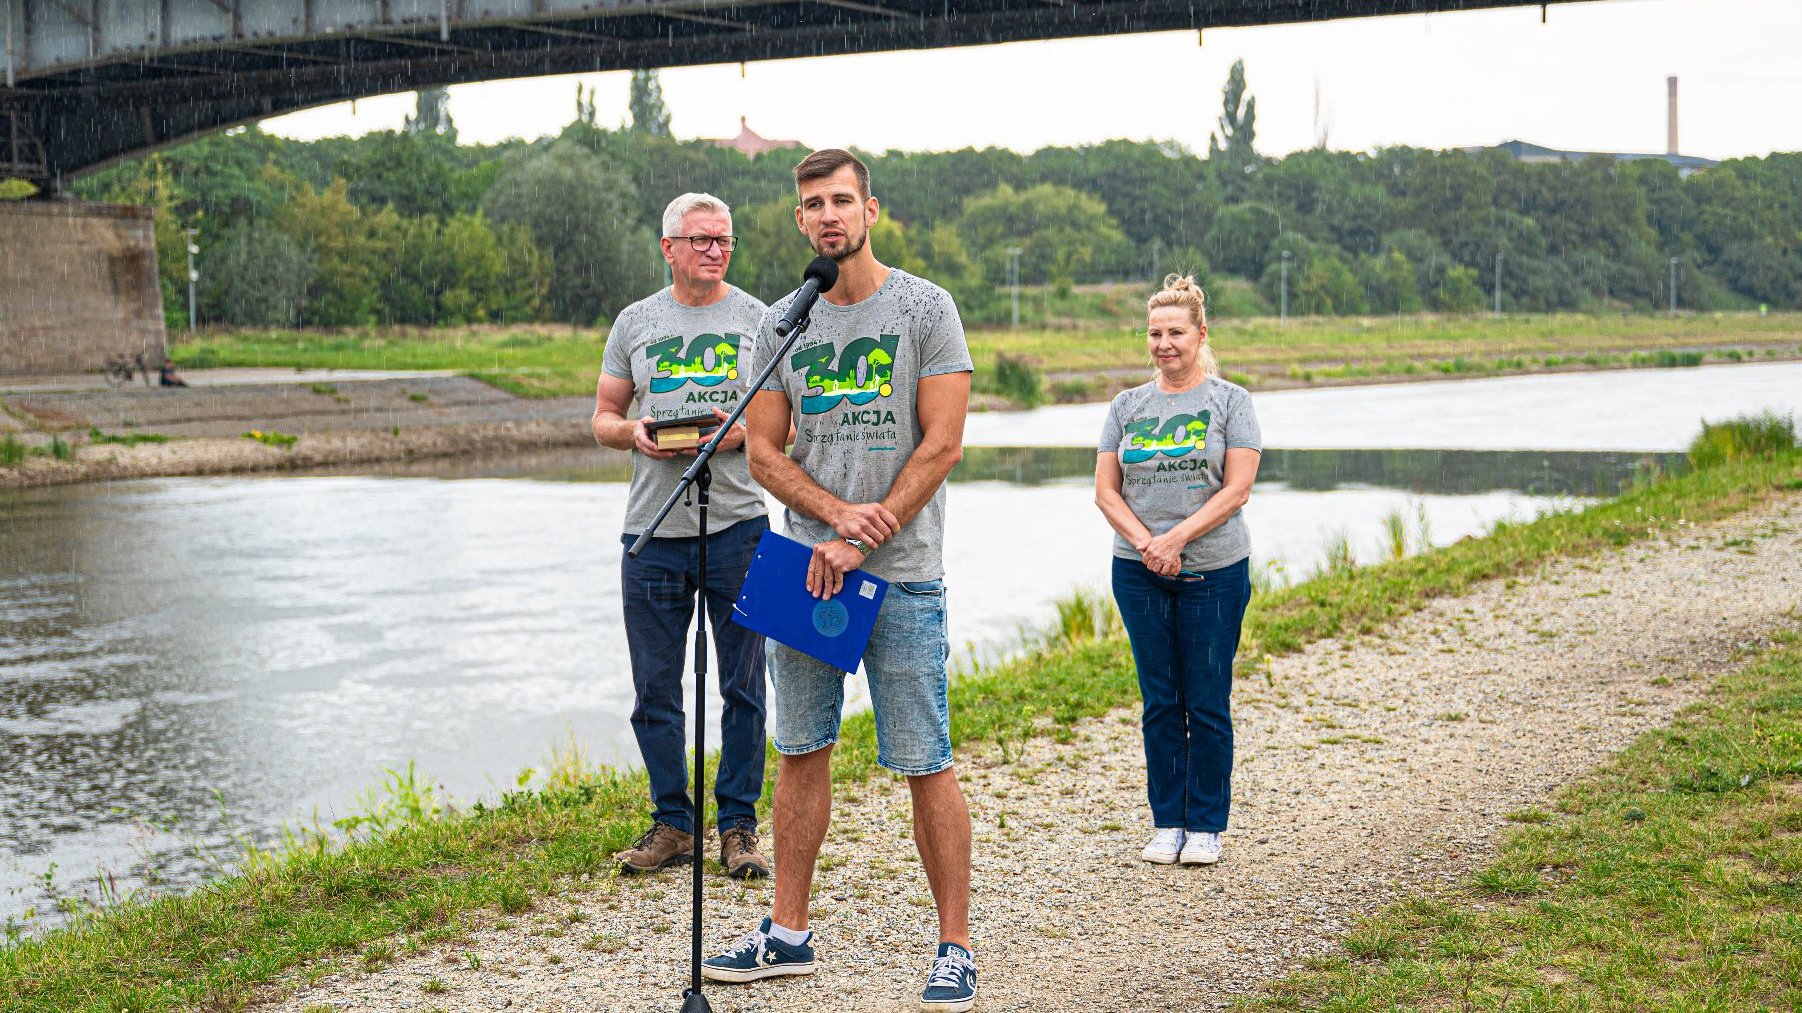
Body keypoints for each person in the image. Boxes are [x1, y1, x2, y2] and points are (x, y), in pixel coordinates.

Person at [702, 149, 978, 1013]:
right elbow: (763, 448)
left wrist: (868, 532)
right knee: (799, 747)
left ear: (871, 209)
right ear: (799, 221)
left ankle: (955, 948)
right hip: (804, 568)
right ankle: (787, 932)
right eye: (813, 204)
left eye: (842, 200)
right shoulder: (783, 323)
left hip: (901, 573)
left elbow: (942, 442)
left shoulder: (926, 307)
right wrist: (830, 517)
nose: (829, 216)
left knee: (923, 757)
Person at [591, 192, 772, 880]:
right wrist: (634, 432)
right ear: (667, 247)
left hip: (738, 527)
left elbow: (784, 428)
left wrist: (743, 430)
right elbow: (604, 416)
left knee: (745, 684)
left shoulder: (761, 319)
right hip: (653, 528)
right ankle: (673, 821)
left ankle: (738, 826)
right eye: (699, 240)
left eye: (723, 240)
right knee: (656, 688)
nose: (714, 251)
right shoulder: (635, 321)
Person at [1093, 274, 1262, 868]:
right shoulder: (1126, 407)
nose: (1165, 344)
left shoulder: (1230, 402)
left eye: (1176, 332)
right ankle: (1168, 822)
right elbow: (1106, 492)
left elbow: (1237, 488)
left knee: (1207, 700)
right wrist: (1147, 545)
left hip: (1213, 571)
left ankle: (1207, 824)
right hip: (1138, 572)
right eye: (1155, 333)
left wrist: (1177, 538)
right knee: (1160, 700)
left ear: (1200, 334)